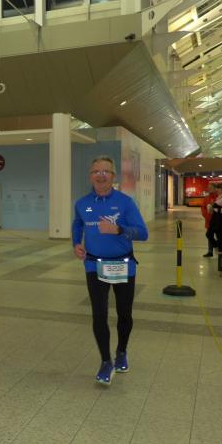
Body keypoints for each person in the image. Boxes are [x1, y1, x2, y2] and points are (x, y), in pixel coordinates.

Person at [72, 156, 148, 386]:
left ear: (113, 176)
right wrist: (76, 243)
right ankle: (106, 361)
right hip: (94, 265)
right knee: (99, 315)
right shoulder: (82, 203)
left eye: (106, 171)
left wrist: (118, 230)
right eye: (96, 171)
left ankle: (121, 351)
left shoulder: (125, 202)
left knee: (124, 314)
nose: (101, 175)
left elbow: (143, 233)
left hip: (123, 265)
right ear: (90, 176)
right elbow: (78, 223)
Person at [209, 183, 222, 254]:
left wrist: (215, 209)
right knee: (220, 237)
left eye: (218, 188)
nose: (216, 189)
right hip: (218, 220)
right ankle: (220, 249)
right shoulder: (220, 197)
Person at [201, 183, 219, 257]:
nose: (209, 189)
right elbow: (203, 208)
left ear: (215, 188)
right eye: (208, 187)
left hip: (218, 221)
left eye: (211, 187)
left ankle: (220, 249)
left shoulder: (219, 197)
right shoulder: (206, 198)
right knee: (209, 236)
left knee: (219, 235)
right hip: (209, 220)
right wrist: (206, 215)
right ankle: (210, 251)